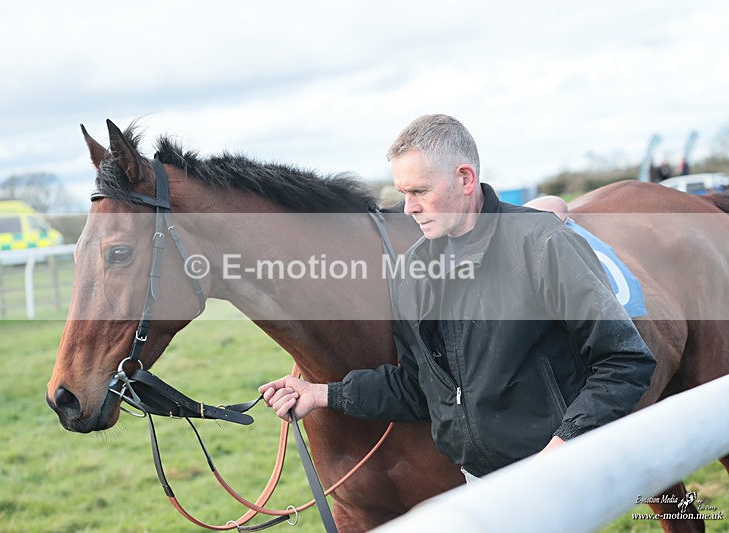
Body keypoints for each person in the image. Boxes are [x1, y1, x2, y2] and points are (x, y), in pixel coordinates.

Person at [259, 114, 656, 481]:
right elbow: (418, 387)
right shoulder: (412, 270)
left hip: (554, 471)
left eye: (420, 191)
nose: (408, 209)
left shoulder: (542, 243)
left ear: (465, 178)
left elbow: (624, 360)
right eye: (402, 193)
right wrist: (323, 394)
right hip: (478, 477)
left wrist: (565, 444)